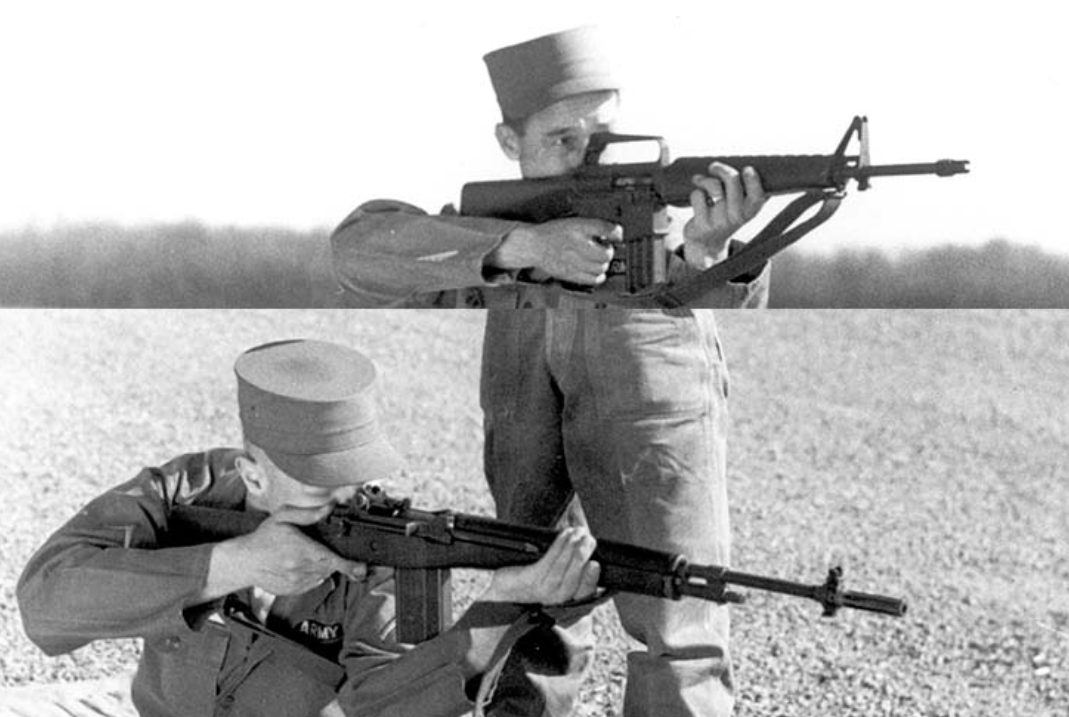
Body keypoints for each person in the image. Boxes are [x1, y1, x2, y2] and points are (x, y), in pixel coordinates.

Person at [330, 26, 769, 717]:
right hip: (522, 371)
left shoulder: (657, 224)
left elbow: (737, 301)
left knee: (676, 611)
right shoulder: (497, 233)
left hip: (648, 374)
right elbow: (356, 252)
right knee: (536, 590)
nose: (589, 157)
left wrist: (708, 253)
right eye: (563, 139)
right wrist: (523, 246)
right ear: (510, 142)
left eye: (604, 136)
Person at [17, 339, 601, 717]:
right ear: (253, 474)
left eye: (355, 479)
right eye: (320, 486)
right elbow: (45, 601)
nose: (346, 501)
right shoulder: (185, 493)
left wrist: (497, 610)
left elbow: (384, 707)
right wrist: (234, 563)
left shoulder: (384, 547)